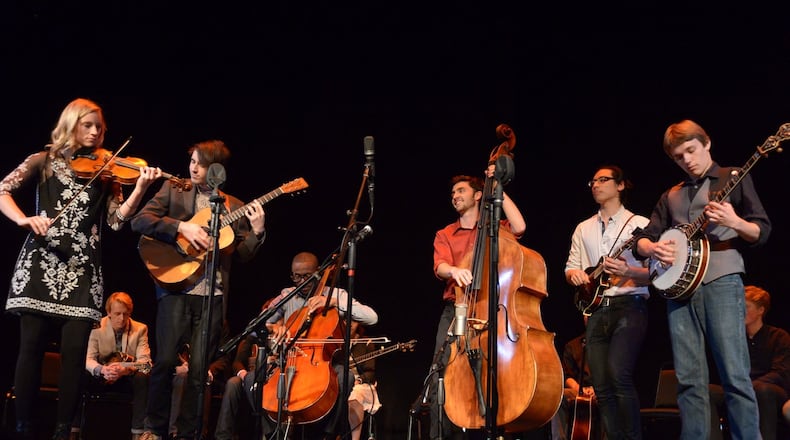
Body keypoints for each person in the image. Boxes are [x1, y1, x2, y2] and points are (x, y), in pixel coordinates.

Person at [0, 98, 161, 440]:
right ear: (71, 124)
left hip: (82, 269)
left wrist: (142, 187)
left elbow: (117, 222)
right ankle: (22, 427)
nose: (95, 132)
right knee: (30, 350)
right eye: (87, 125)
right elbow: (2, 190)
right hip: (40, 263)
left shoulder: (107, 173)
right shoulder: (42, 160)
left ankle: (63, 431)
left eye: (99, 127)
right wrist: (24, 219)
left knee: (74, 358)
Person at [633, 119, 772, 440]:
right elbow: (642, 238)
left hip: (722, 280)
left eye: (692, 151)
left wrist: (735, 221)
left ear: (707, 143)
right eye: (680, 157)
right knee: (689, 378)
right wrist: (652, 247)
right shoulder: (671, 195)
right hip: (680, 290)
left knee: (735, 374)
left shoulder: (733, 177)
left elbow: (761, 230)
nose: (688, 160)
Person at [131, 139, 266, 440]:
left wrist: (257, 232)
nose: (193, 167)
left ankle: (189, 433)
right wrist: (182, 228)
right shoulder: (175, 191)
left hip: (212, 297)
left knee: (198, 372)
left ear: (216, 169)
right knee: (165, 362)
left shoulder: (234, 207)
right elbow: (140, 221)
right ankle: (154, 429)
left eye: (201, 163)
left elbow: (242, 254)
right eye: (191, 160)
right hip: (175, 289)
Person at [430, 168, 526, 439]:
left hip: (492, 309)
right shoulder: (446, 233)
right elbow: (440, 266)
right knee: (442, 373)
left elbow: (520, 226)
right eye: (452, 193)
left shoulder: (497, 229)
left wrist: (497, 187)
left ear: (478, 195)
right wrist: (454, 271)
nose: (455, 196)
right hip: (457, 308)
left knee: (491, 372)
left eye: (461, 191)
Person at [563, 165, 649, 440]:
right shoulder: (583, 228)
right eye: (593, 181)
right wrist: (575, 274)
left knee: (619, 375)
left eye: (603, 179)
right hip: (597, 310)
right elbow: (571, 267)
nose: (596, 185)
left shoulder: (641, 225)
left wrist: (629, 272)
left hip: (630, 306)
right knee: (601, 385)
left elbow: (658, 274)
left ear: (620, 185)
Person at [263, 251, 379, 439]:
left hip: (324, 362)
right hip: (289, 360)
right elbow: (257, 325)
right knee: (253, 379)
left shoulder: (336, 294)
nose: (301, 282)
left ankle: (327, 434)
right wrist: (273, 326)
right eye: (296, 276)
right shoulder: (286, 295)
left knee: (345, 377)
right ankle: (272, 433)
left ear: (318, 272)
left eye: (307, 276)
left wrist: (333, 302)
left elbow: (371, 317)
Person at [709, 285, 790, 440]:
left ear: (760, 310)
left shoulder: (778, 336)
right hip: (739, 388)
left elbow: (780, 373)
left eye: (745, 306)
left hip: (770, 391)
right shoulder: (734, 338)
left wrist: (750, 386)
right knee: (707, 392)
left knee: (763, 390)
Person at [83, 291, 152, 440]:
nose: (122, 319)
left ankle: (138, 432)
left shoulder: (140, 329)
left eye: (126, 314)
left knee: (143, 376)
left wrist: (125, 369)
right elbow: (88, 360)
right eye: (117, 314)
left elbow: (146, 364)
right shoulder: (96, 327)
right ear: (108, 312)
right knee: (80, 374)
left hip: (127, 376)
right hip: (103, 375)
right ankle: (74, 429)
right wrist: (103, 370)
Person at [550, 319, 598, 440]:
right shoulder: (573, 345)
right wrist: (580, 389)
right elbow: (567, 375)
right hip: (579, 390)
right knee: (558, 396)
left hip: (601, 390)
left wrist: (596, 389)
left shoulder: (610, 345)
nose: (588, 317)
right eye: (586, 314)